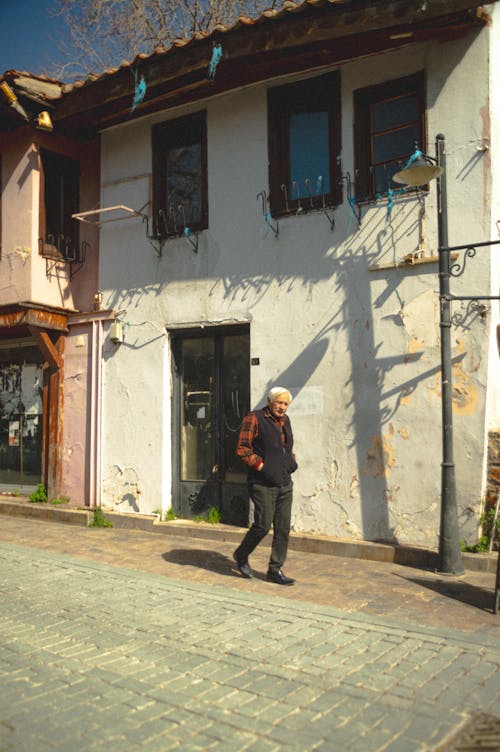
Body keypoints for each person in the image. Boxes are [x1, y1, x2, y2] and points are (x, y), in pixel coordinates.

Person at [233, 386, 298, 585]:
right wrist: (261, 466)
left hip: (284, 483)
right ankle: (241, 554)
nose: (282, 407)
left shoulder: (286, 422)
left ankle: (275, 569)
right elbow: (242, 449)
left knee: (283, 528)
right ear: (270, 401)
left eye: (286, 404)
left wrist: (290, 462)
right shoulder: (254, 418)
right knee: (262, 525)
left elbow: (287, 448)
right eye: (279, 402)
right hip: (262, 483)